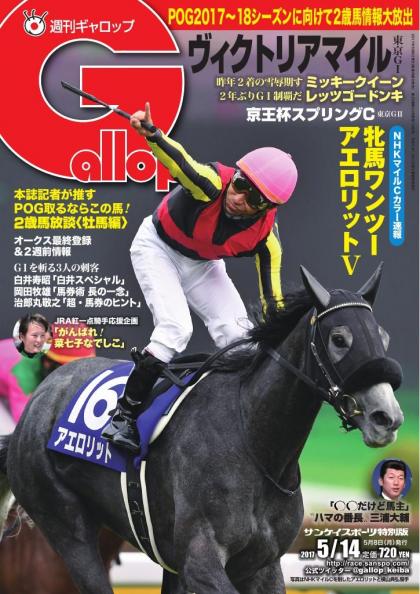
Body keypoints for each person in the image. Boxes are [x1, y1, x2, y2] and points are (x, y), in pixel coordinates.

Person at [102, 102, 298, 452]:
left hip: (203, 264)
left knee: (244, 339)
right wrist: (152, 134)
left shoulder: (268, 242)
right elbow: (180, 161)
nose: (238, 197)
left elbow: (274, 305)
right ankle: (123, 417)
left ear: (269, 208)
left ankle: (235, 422)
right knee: (176, 328)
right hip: (157, 248)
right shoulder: (211, 184)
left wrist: (286, 341)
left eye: (254, 197)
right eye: (241, 183)